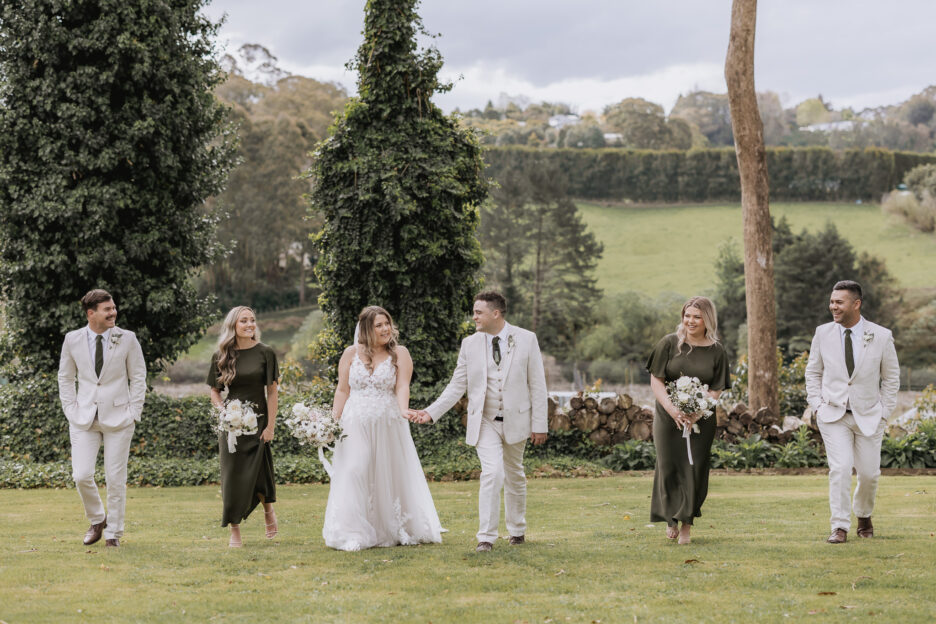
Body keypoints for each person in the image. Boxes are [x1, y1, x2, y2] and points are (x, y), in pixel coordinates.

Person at [409, 291, 548, 552]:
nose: (474, 317)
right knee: (492, 472)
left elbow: (538, 385)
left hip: (517, 420)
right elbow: (456, 385)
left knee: (515, 474)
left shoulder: (527, 339)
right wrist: (430, 412)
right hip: (484, 420)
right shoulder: (469, 344)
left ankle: (517, 529)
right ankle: (486, 537)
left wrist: (540, 425)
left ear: (496, 313)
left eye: (478, 312)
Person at [322, 306, 442, 551]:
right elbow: (342, 390)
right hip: (354, 421)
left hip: (387, 420)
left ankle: (387, 527)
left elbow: (401, 387)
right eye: (379, 325)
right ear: (366, 329)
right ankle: (353, 531)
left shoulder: (400, 353)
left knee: (386, 473)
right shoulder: (350, 354)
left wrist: (403, 409)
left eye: (387, 323)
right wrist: (331, 422)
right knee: (355, 469)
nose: (385, 328)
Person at [805, 280, 900, 544]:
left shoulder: (881, 335)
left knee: (869, 474)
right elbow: (813, 372)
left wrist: (884, 412)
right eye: (832, 301)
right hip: (833, 415)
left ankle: (864, 515)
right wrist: (818, 405)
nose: (832, 306)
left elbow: (891, 378)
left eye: (839, 302)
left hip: (870, 415)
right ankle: (839, 526)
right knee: (841, 468)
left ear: (856, 304)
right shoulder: (822, 333)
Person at [58, 289, 146, 548]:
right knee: (81, 475)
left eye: (113, 308)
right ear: (91, 313)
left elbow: (138, 376)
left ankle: (113, 535)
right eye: (107, 309)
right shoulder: (72, 339)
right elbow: (65, 377)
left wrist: (134, 412)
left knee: (115, 478)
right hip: (83, 417)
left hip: (120, 418)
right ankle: (98, 519)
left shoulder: (127, 338)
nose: (113, 313)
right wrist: (70, 409)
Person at [646, 296, 730, 545]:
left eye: (696, 316)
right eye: (687, 315)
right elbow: (656, 379)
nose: (690, 321)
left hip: (701, 419)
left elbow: (717, 387)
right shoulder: (669, 343)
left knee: (694, 468)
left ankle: (686, 524)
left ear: (707, 320)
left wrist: (699, 411)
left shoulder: (717, 350)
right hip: (667, 415)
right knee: (669, 464)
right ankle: (671, 518)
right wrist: (673, 410)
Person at [207, 306, 279, 548]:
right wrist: (225, 413)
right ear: (233, 326)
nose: (250, 324)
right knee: (232, 476)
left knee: (260, 471)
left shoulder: (266, 353)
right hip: (232, 426)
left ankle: (269, 511)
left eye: (252, 320)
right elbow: (214, 393)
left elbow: (272, 392)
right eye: (244, 321)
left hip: (258, 420)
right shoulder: (221, 355)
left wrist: (270, 426)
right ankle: (234, 529)